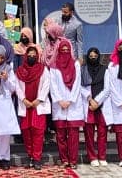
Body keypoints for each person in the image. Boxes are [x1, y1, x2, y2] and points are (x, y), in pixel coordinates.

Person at [48, 40, 84, 168]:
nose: (65, 52)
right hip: (59, 105)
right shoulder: (54, 66)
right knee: (61, 135)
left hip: (73, 104)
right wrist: (60, 101)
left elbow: (77, 84)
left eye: (67, 50)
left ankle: (73, 161)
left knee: (73, 136)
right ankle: (64, 160)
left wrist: (70, 100)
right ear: (58, 51)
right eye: (62, 50)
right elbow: (53, 85)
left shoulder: (76, 64)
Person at [13, 45, 49, 169]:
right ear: (25, 56)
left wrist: (39, 100)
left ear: (37, 56)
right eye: (29, 55)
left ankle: (37, 158)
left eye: (34, 55)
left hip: (38, 106)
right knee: (27, 133)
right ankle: (30, 157)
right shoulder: (20, 71)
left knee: (38, 133)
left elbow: (46, 85)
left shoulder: (43, 69)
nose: (32, 56)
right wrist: (24, 99)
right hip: (26, 105)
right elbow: (17, 86)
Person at [81, 47, 110, 166]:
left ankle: (102, 157)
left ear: (99, 57)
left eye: (95, 56)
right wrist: (89, 99)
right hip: (88, 105)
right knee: (89, 134)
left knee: (102, 132)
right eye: (91, 56)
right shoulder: (83, 70)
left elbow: (107, 89)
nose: (93, 58)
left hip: (101, 105)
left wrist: (97, 101)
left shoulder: (105, 69)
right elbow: (79, 86)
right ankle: (92, 157)